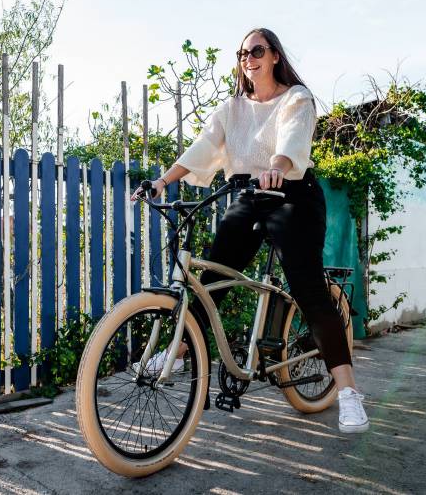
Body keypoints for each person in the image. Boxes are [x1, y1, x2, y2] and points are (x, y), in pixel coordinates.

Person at [130, 27, 369, 434]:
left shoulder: (297, 97)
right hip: (250, 194)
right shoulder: (232, 108)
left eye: (256, 50)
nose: (248, 58)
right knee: (212, 279)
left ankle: (347, 392)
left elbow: (292, 140)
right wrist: (163, 182)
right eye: (242, 53)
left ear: (274, 55)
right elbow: (203, 147)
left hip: (292, 193)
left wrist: (276, 167)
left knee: (308, 287)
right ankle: (180, 349)